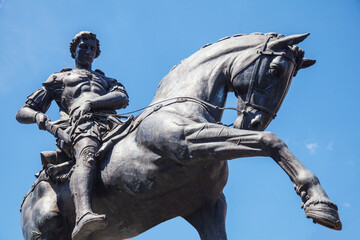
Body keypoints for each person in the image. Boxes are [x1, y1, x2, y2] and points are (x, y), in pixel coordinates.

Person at [16, 31, 129, 240]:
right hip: (79, 126)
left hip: (111, 122)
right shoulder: (60, 78)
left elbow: (122, 97)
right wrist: (42, 118)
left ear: (96, 54)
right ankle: (83, 213)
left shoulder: (106, 79)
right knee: (87, 151)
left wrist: (91, 103)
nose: (88, 51)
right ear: (74, 50)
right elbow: (23, 112)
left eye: (92, 49)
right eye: (84, 47)